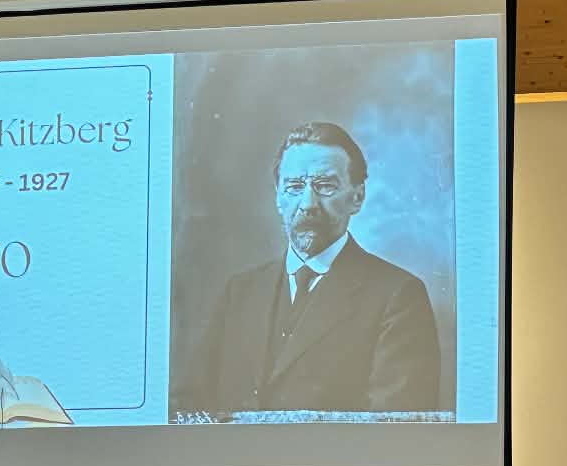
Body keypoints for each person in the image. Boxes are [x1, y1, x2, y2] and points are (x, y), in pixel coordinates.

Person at [180, 121, 441, 416]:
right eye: (294, 187)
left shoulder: (398, 296)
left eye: (326, 186)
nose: (308, 204)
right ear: (278, 198)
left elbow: (395, 428)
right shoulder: (239, 293)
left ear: (357, 197)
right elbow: (189, 407)